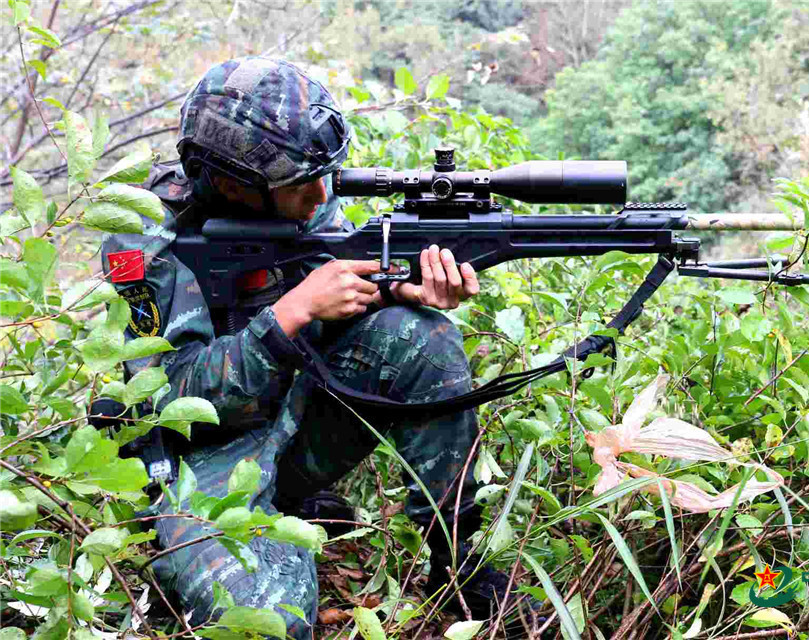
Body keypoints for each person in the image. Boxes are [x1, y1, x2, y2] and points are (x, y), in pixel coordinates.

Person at [102, 57, 507, 638]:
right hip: (193, 462)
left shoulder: (297, 187)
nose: (321, 195)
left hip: (289, 427)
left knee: (421, 334)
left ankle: (458, 564)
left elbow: (331, 270)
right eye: (300, 185)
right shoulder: (145, 238)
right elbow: (167, 397)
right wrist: (289, 314)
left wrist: (394, 287)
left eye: (324, 175)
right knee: (265, 625)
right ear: (233, 184)